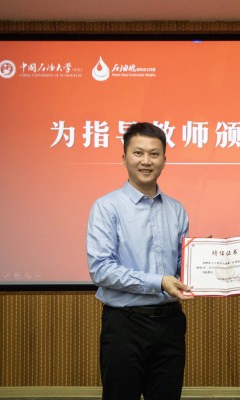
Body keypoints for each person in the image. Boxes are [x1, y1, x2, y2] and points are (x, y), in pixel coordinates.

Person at [86, 122, 191, 400]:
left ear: (164, 160)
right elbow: (101, 270)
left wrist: (205, 259)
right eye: (138, 153)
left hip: (170, 325)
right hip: (125, 325)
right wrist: (159, 282)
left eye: (154, 154)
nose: (146, 161)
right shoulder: (106, 207)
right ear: (124, 158)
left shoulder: (177, 210)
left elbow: (182, 269)